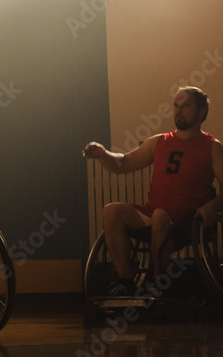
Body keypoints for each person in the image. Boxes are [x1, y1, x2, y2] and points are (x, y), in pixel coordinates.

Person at [83, 86, 223, 296]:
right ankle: (126, 282)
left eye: (185, 106)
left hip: (187, 221)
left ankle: (157, 285)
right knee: (112, 211)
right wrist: (104, 154)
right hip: (155, 213)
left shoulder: (212, 146)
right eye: (176, 106)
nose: (178, 111)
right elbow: (124, 163)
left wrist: (214, 205)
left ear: (202, 111)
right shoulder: (159, 141)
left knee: (159, 215)